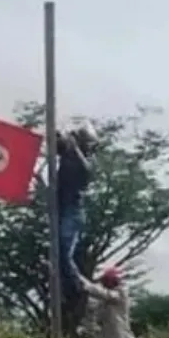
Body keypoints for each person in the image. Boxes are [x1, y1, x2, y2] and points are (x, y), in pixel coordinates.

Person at [56, 121, 96, 327]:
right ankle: (69, 295)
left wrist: (74, 147)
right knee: (57, 257)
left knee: (63, 252)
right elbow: (57, 144)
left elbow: (85, 171)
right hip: (60, 210)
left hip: (73, 212)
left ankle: (80, 289)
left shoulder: (86, 160)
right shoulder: (68, 152)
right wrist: (57, 134)